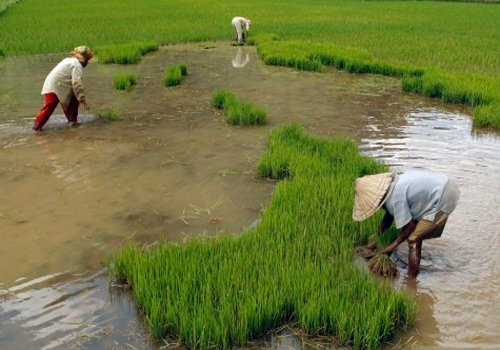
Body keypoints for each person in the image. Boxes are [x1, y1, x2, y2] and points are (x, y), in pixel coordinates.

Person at [352, 170, 460, 277]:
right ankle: (415, 266)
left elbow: (409, 227)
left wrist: (392, 246)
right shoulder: (392, 186)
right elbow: (389, 216)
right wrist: (377, 238)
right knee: (418, 230)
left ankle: (411, 279)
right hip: (445, 183)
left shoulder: (394, 200)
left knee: (413, 239)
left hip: (445, 196)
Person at [33, 45, 94, 131]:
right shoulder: (77, 65)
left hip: (56, 84)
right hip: (54, 86)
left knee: (73, 101)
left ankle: (73, 123)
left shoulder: (68, 60)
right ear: (85, 59)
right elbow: (77, 83)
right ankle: (36, 128)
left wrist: (78, 97)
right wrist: (82, 100)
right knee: (49, 107)